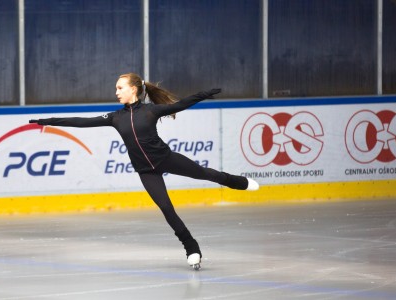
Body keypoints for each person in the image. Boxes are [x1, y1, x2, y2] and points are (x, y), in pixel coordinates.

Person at [29, 73, 259, 270]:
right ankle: (191, 247)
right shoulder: (115, 117)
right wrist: (47, 121)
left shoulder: (151, 111)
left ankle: (237, 182)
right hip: (146, 171)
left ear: (133, 89)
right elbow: (81, 121)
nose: (116, 92)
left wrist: (202, 94)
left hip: (166, 159)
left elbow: (179, 105)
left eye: (120, 88)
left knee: (204, 173)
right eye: (116, 88)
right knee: (166, 208)